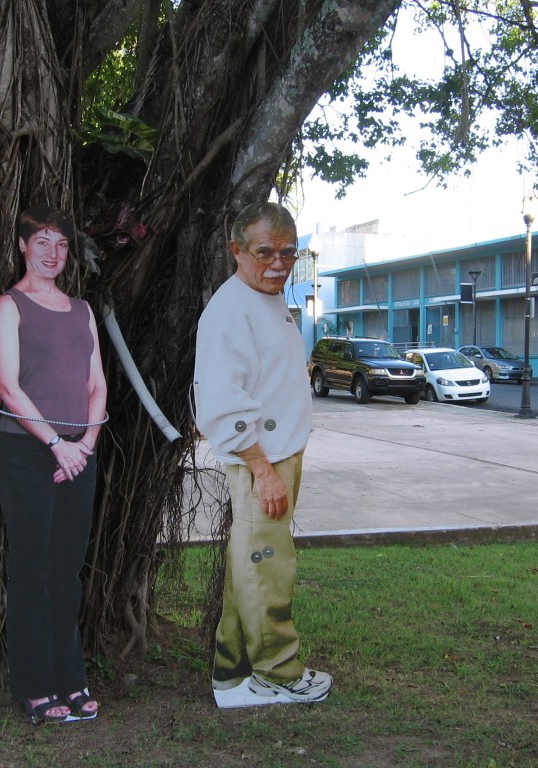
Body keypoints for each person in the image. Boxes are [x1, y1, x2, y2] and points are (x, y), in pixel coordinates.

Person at [193, 201, 332, 709]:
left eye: (288, 253)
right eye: (265, 252)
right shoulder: (228, 311)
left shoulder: (267, 300)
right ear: (237, 250)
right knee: (268, 565)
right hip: (261, 460)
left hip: (280, 454)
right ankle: (277, 672)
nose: (278, 264)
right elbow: (221, 400)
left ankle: (233, 676)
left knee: (249, 564)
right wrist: (260, 468)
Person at [0, 205, 107, 724]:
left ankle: (71, 678)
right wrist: (58, 444)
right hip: (28, 454)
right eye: (42, 242)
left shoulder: (82, 310)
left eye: (61, 243)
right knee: (32, 570)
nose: (52, 253)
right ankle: (36, 687)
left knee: (67, 572)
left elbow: (97, 384)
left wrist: (85, 444)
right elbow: (8, 387)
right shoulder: (9, 306)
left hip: (80, 455)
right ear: (22, 246)